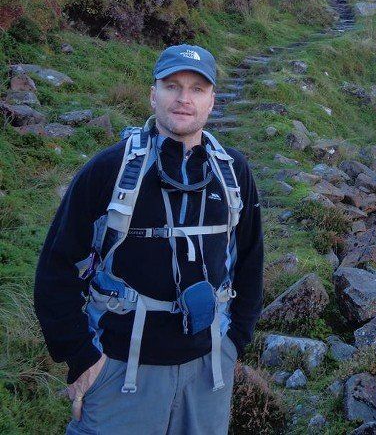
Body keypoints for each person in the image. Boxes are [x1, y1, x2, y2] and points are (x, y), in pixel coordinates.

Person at [34, 44, 263, 435]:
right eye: (172, 86)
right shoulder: (109, 169)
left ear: (211, 101)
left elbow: (250, 261)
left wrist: (235, 343)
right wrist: (82, 358)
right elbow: (56, 269)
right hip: (120, 370)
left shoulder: (234, 172)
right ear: (152, 94)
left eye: (197, 89)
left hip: (210, 371)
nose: (184, 99)